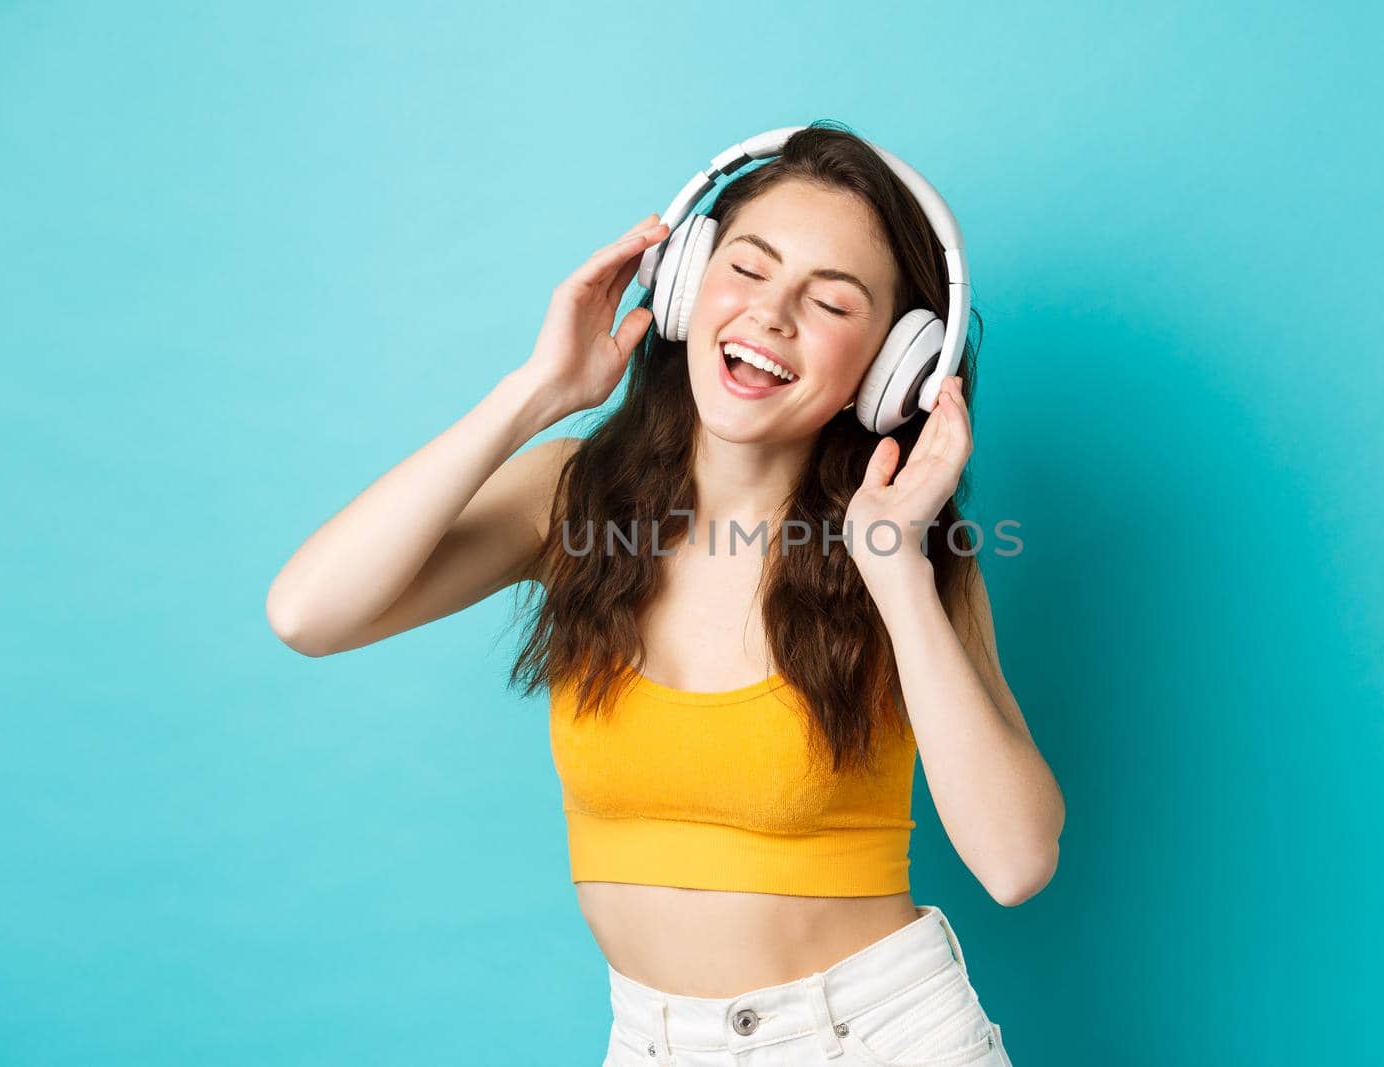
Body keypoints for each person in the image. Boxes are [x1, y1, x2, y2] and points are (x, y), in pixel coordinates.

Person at [267, 121, 1062, 1066]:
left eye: (831, 302)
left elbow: (1016, 863)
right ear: (684, 282)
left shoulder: (906, 556)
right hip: (650, 1042)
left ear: (895, 371)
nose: (771, 315)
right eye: (748, 269)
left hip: (882, 1037)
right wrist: (536, 391)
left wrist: (893, 568)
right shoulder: (571, 500)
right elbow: (307, 613)